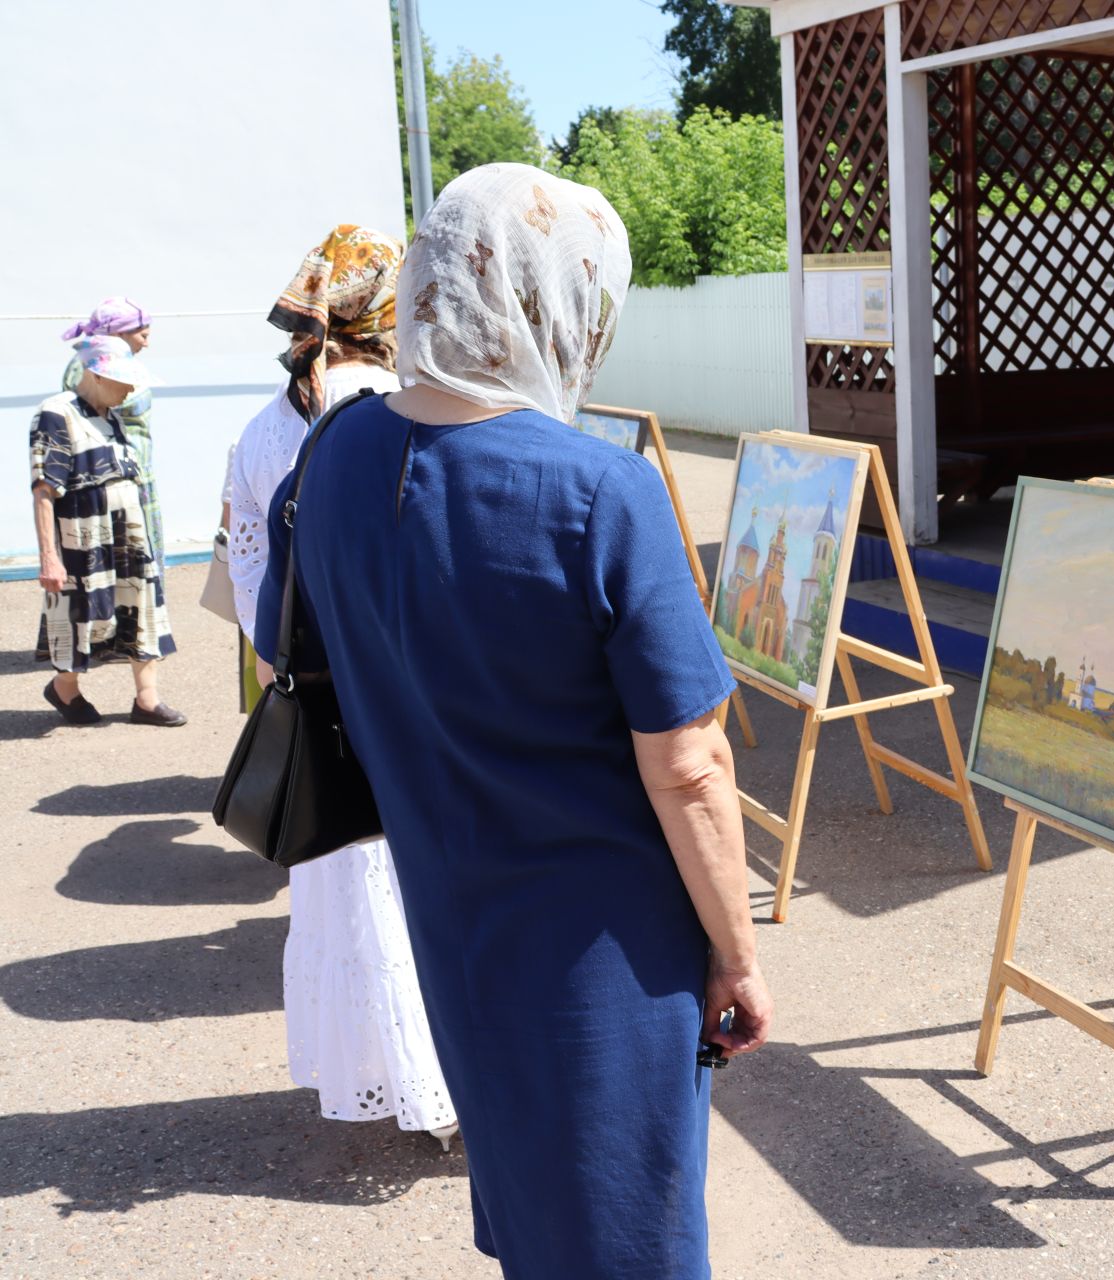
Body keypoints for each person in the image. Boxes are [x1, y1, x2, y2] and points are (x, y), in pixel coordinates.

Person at [254, 164, 772, 1277]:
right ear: (562, 301)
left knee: (540, 1207)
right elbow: (690, 766)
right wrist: (737, 952)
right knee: (629, 1228)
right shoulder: (601, 491)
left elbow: (282, 649)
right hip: (607, 950)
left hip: (452, 913)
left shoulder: (329, 456)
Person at [226, 226, 459, 1149]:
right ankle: (440, 1089)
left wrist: (284, 665)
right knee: (415, 896)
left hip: (318, 703)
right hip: (402, 707)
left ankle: (381, 1077)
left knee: (349, 898)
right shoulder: (391, 409)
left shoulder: (264, 423)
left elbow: (249, 572)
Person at [32, 335, 183, 726]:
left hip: (127, 535)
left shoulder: (113, 416)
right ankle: (65, 688)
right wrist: (49, 556)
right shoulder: (56, 413)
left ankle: (147, 699)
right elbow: (45, 490)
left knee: (142, 611)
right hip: (82, 537)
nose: (131, 388)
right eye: (123, 380)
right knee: (80, 615)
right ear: (97, 375)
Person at [61, 299, 166, 591]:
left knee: (142, 560)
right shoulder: (86, 369)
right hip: (109, 478)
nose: (146, 343)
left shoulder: (121, 366)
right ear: (117, 335)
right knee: (124, 564)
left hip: (134, 474)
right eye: (142, 335)